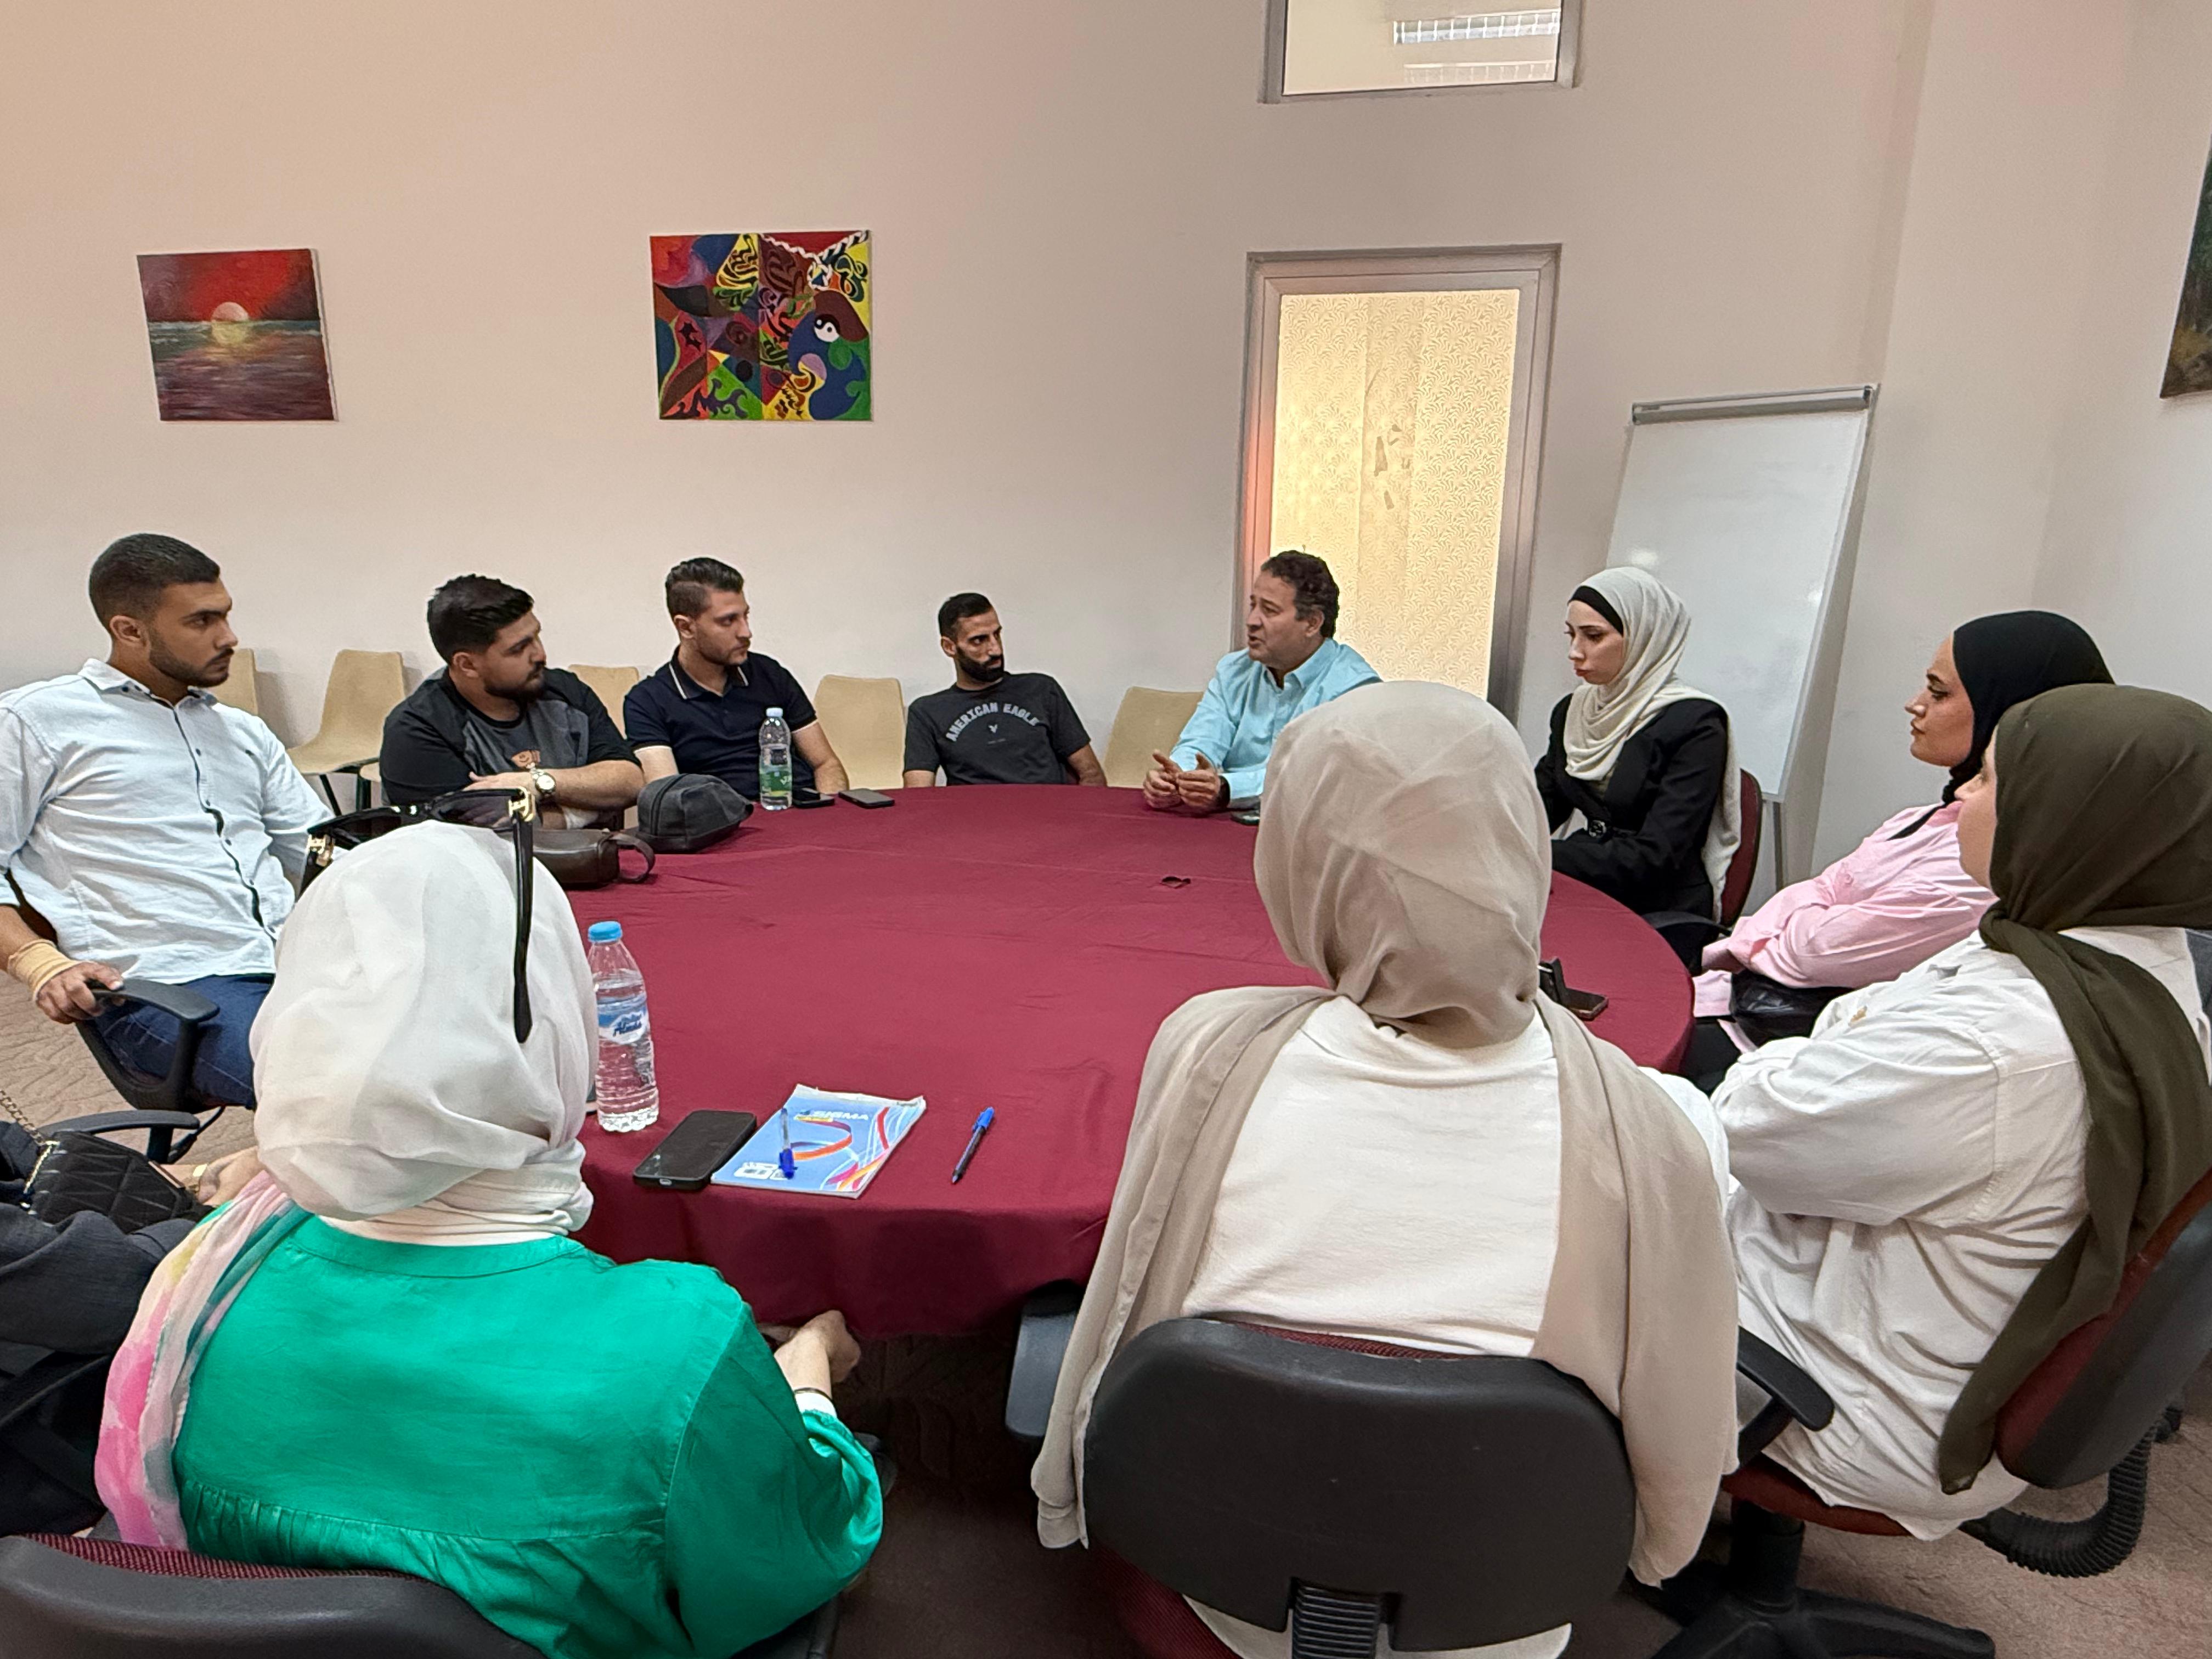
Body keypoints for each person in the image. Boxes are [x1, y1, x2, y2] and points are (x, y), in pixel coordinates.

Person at [1036, 683, 1739, 1659]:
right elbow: (1678, 1460)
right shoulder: (1661, 1131)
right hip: (1503, 1614)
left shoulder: (1204, 1051)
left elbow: (1124, 1298)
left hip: (1220, 1581)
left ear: (1298, 864)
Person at [98, 824, 882, 1659]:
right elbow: (803, 1554)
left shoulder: (204, 1284)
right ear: (561, 1027)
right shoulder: (676, 1342)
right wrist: (806, 1382)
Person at [1722, 683, 2212, 1536]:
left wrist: (1816, 1044)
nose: (1961, 797)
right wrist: (1836, 1043)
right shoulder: (2150, 968)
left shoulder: (2002, 1040)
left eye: (1986, 779)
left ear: (2063, 820)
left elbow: (1751, 1131)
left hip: (1841, 1394)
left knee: (1551, 1217)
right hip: (1928, 1339)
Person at [1690, 611, 2111, 1058]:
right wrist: (1813, 914)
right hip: (1737, 998)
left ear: (2008, 709)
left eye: (1939, 692)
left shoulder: (1985, 863)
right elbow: (1824, 888)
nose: (1915, 704)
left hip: (1782, 1043)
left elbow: (1817, 953)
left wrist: (1794, 923)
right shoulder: (1933, 814)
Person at [0, 534, 325, 1105]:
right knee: (335, 1084)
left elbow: (323, 851)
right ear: (130, 631)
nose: (229, 637)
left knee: (463, 1051)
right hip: (166, 990)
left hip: (297, 967)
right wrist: (38, 963)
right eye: (202, 621)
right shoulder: (36, 723)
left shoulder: (242, 732)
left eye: (225, 615)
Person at [1534, 568, 1740, 921]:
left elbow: (1656, 857)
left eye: (1593, 636)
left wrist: (1536, 852)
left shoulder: (1696, 723)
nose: (1574, 652)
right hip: (1588, 879)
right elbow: (1542, 804)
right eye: (1571, 635)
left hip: (1657, 902)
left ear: (1644, 637)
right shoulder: (1574, 711)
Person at [378, 575, 641, 827]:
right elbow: (477, 833)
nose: (540, 655)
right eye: (519, 649)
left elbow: (629, 781)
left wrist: (536, 783)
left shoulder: (566, 692)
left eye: (537, 636)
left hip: (590, 855)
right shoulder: (418, 728)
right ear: (468, 665)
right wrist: (586, 811)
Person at [1144, 551, 1378, 815]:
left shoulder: (1353, 689)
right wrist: (1178, 777)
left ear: (1312, 623)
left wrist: (1227, 788)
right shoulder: (1234, 670)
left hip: (1309, 828)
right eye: (1253, 605)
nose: (1252, 621)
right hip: (1231, 820)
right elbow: (1201, 740)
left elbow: (1308, 778)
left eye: (1269, 610)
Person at [625, 558, 850, 801]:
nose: (746, 632)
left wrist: (832, 811)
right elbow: (669, 800)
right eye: (728, 621)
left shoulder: (769, 673)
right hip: (723, 819)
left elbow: (826, 764)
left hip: (797, 808)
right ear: (686, 627)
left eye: (746, 616)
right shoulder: (647, 701)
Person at [902, 592, 1105, 787]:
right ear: (949, 647)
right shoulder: (927, 712)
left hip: (1048, 808)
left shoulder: (1041, 689)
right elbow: (919, 795)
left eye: (997, 635)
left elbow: (1091, 774)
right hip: (975, 811)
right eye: (979, 640)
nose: (996, 650)